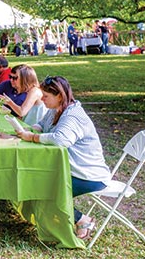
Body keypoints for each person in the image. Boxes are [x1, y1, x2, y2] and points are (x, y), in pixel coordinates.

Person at [15, 76, 111, 240]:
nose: (42, 99)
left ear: (59, 95)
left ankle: (82, 220)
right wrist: (25, 130)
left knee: (42, 189)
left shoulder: (72, 116)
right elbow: (41, 126)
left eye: (46, 96)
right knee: (33, 180)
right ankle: (47, 220)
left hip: (87, 175)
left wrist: (32, 137)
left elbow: (61, 139)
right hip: (69, 170)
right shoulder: (55, 109)